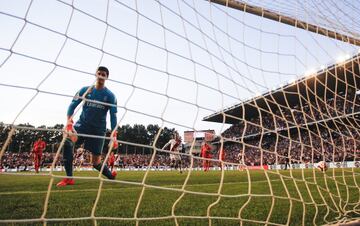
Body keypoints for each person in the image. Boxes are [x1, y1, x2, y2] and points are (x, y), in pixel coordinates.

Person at [57, 66, 118, 187]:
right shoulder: (85, 90)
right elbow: (72, 105)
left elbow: (113, 116)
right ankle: (69, 178)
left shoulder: (110, 96)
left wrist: (114, 134)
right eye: (99, 73)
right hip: (82, 126)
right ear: (95, 74)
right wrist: (69, 122)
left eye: (103, 74)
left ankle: (110, 176)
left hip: (98, 131)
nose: (101, 76)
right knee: (67, 140)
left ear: (107, 77)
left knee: (95, 162)